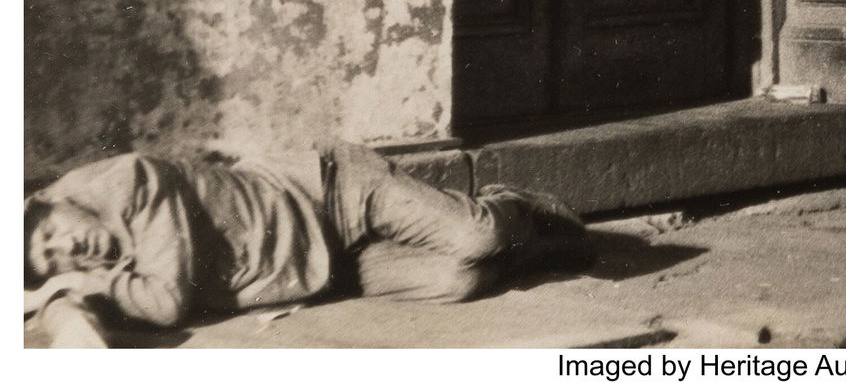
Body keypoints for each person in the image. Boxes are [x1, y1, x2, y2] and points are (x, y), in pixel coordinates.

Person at [23, 142, 590, 331]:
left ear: (48, 202)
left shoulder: (131, 181)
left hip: (332, 189)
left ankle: (510, 206)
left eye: (49, 236)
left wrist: (71, 287)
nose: (65, 252)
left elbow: (166, 304)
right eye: (48, 262)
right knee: (459, 279)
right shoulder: (101, 263)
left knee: (477, 239)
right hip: (322, 269)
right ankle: (537, 245)